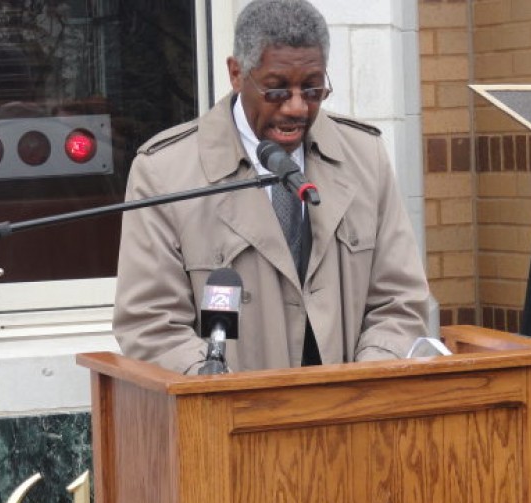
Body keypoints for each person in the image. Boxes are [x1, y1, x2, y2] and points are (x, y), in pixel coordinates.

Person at [113, 0, 431, 374]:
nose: (297, 108)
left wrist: (366, 380)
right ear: (236, 73)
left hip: (351, 415)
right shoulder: (163, 172)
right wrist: (218, 391)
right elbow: (150, 324)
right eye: (277, 90)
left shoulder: (365, 157)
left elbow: (400, 300)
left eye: (312, 89)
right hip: (230, 418)